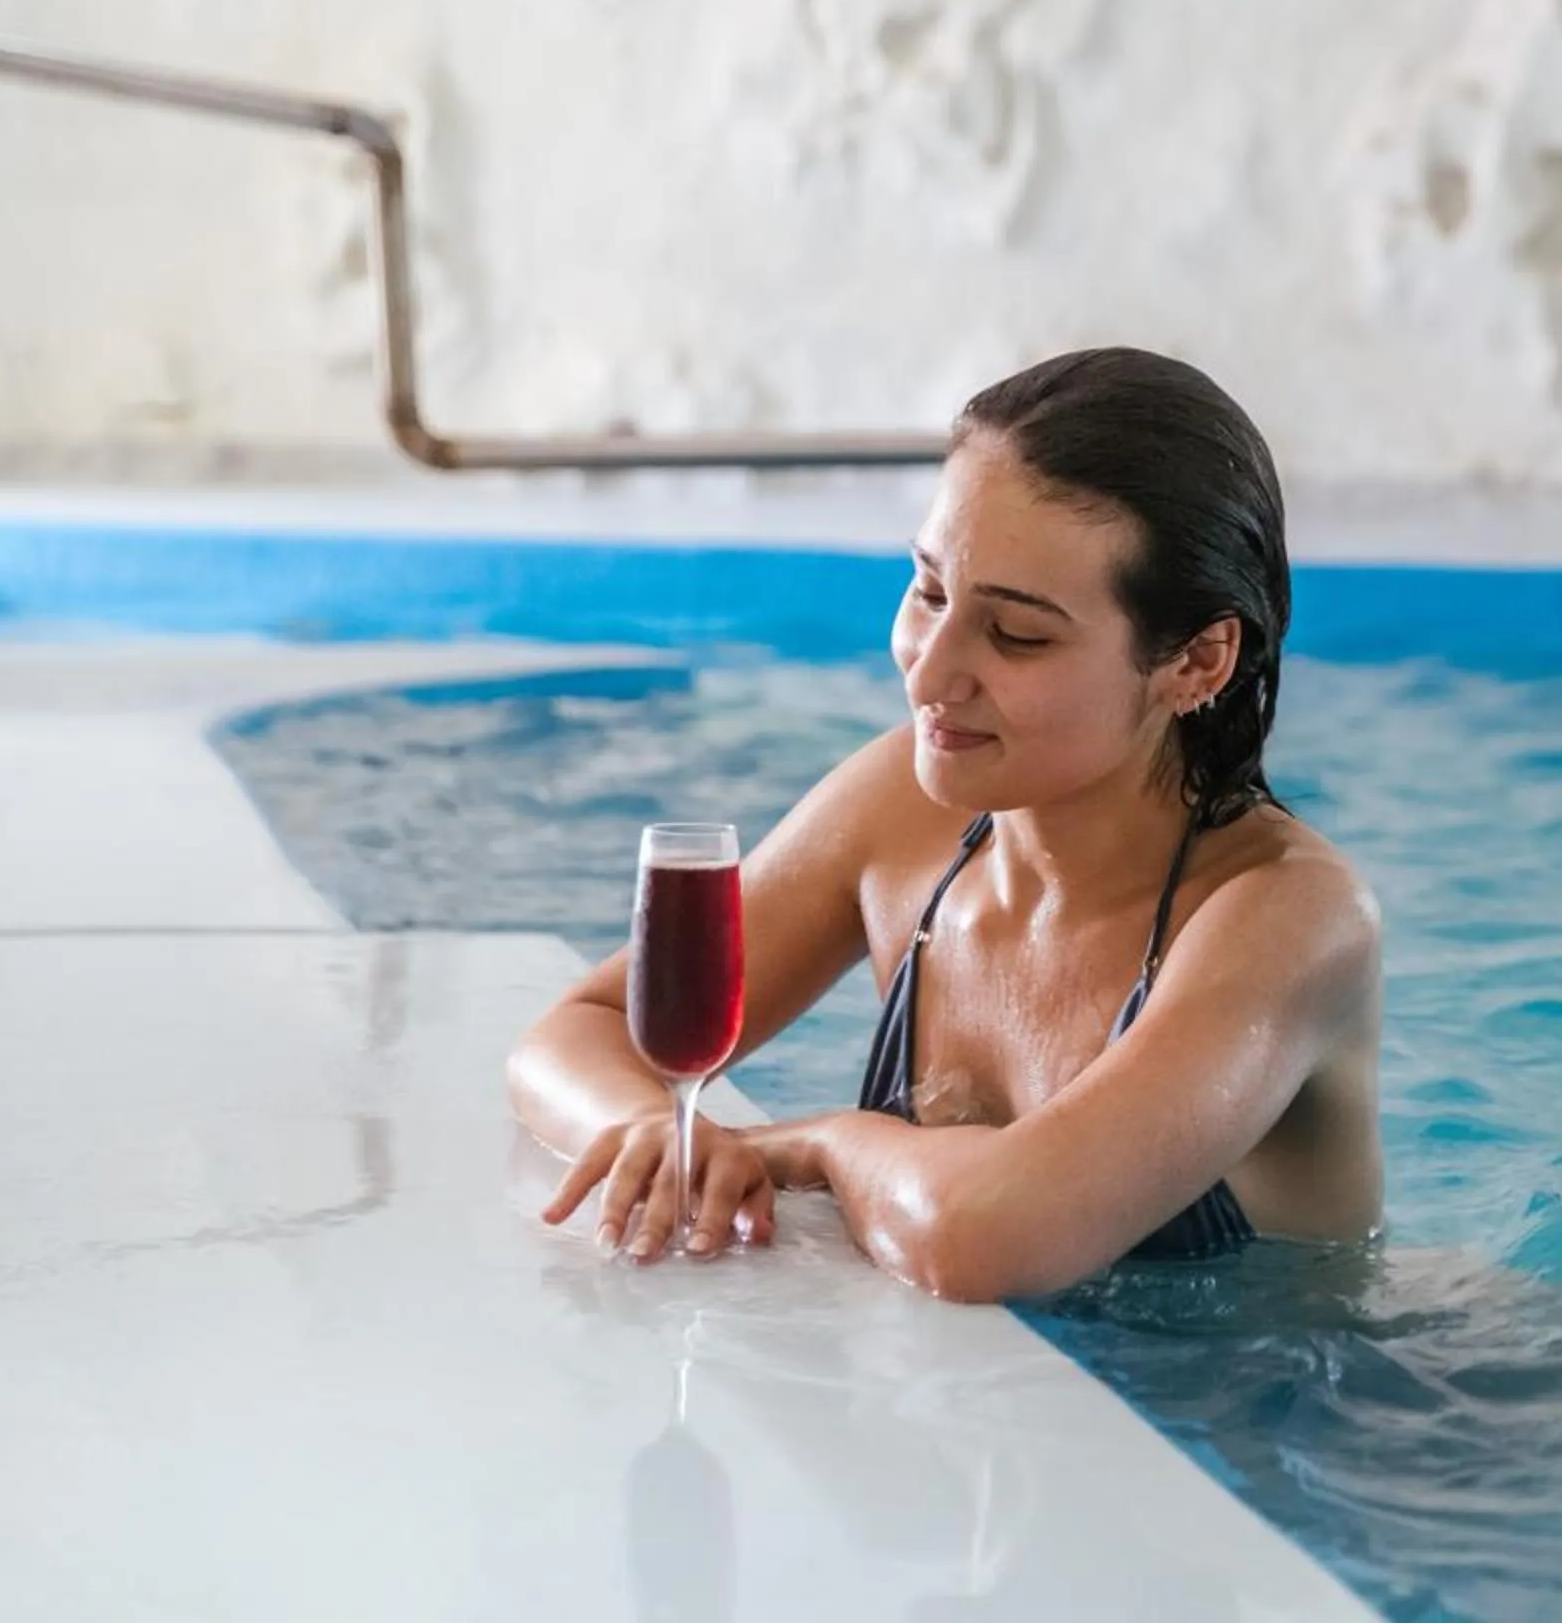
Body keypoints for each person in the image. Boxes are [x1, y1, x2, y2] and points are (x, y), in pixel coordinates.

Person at [508, 347, 1385, 1302]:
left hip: (1300, 1428)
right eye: (929, 592)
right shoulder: (904, 810)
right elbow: (579, 1032)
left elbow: (979, 1237)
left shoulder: (1291, 916)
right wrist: (655, 1131)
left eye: (1017, 634)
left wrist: (818, 1142)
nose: (929, 674)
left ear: (1197, 662)